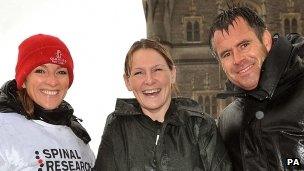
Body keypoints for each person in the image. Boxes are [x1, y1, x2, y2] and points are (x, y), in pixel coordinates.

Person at [94, 39, 231, 170]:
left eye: (157, 70)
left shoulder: (201, 125)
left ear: (172, 73)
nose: (149, 80)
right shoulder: (117, 126)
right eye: (139, 72)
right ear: (127, 81)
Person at [209, 5, 304, 170]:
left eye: (244, 45)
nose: (238, 59)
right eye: (226, 54)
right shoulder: (227, 120)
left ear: (266, 41)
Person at [0, 34, 95, 170]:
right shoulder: (4, 127)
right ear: (24, 80)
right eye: (40, 71)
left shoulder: (76, 132)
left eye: (61, 72)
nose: (52, 81)